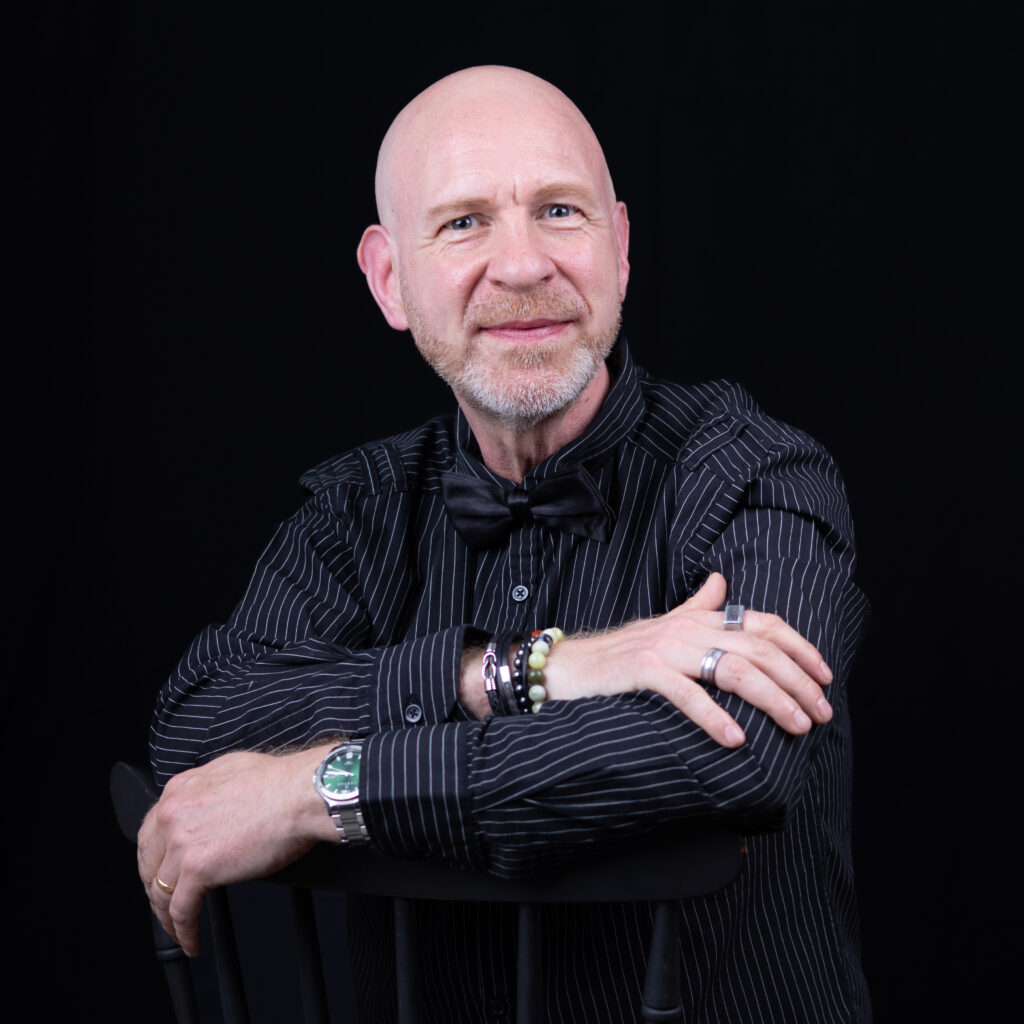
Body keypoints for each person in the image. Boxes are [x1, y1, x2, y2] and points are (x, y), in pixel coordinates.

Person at [138, 66, 871, 1022]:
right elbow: (199, 723)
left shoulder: (759, 477)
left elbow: (732, 754)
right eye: (464, 222)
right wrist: (531, 670)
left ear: (619, 249)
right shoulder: (355, 512)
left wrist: (316, 792)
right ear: (390, 281)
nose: (522, 267)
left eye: (559, 212)